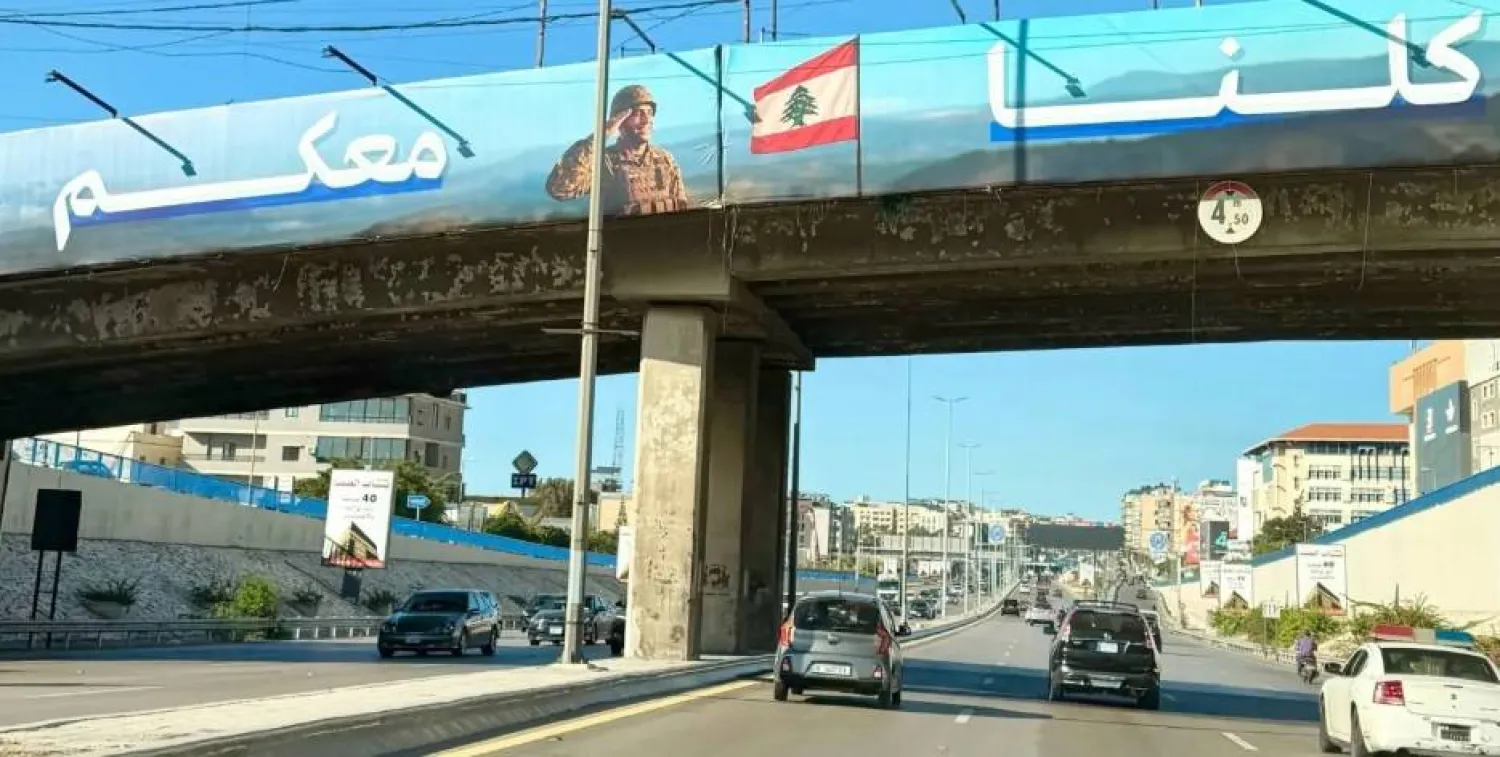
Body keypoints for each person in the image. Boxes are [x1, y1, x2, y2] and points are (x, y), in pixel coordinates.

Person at [545, 84, 689, 217]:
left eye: (649, 113)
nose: (646, 120)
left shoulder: (665, 159)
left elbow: (682, 207)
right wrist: (602, 135)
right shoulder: (605, 162)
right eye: (638, 114)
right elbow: (559, 189)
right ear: (619, 121)